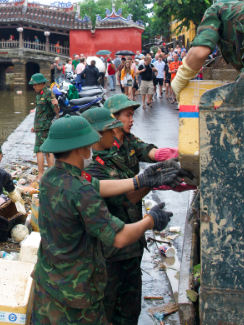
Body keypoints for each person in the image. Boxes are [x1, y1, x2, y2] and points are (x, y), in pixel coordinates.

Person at [30, 115, 176, 324]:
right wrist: (151, 220)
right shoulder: (81, 192)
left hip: (48, 284)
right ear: (80, 149)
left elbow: (97, 185)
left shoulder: (50, 178)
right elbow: (119, 237)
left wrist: (139, 181)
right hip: (77, 295)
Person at [81, 108, 190, 325]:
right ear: (97, 134)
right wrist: (150, 210)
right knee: (106, 311)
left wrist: (155, 179)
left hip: (131, 246)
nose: (115, 134)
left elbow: (133, 186)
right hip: (109, 252)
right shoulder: (93, 168)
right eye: (110, 130)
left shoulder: (119, 150)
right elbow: (124, 198)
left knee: (129, 312)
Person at [29, 73, 59, 178]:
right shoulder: (39, 95)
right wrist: (35, 126)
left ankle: (41, 174)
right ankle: (51, 173)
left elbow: (56, 110)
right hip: (39, 126)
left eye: (35, 84)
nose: (34, 86)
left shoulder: (48, 94)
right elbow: (39, 113)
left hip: (45, 127)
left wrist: (56, 104)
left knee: (39, 149)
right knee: (47, 149)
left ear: (42, 83)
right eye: (33, 85)